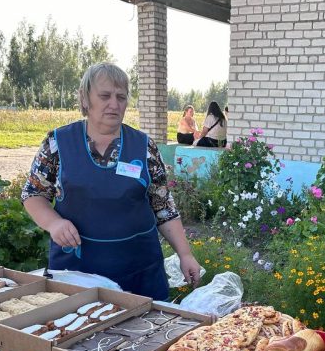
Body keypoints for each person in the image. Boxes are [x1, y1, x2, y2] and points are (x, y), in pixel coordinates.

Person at [22, 62, 201, 300]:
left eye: (121, 97)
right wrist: (54, 223)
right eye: (105, 96)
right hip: (77, 274)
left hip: (140, 274)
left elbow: (163, 207)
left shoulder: (144, 147)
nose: (114, 104)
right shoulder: (58, 144)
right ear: (85, 98)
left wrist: (185, 255)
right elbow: (34, 194)